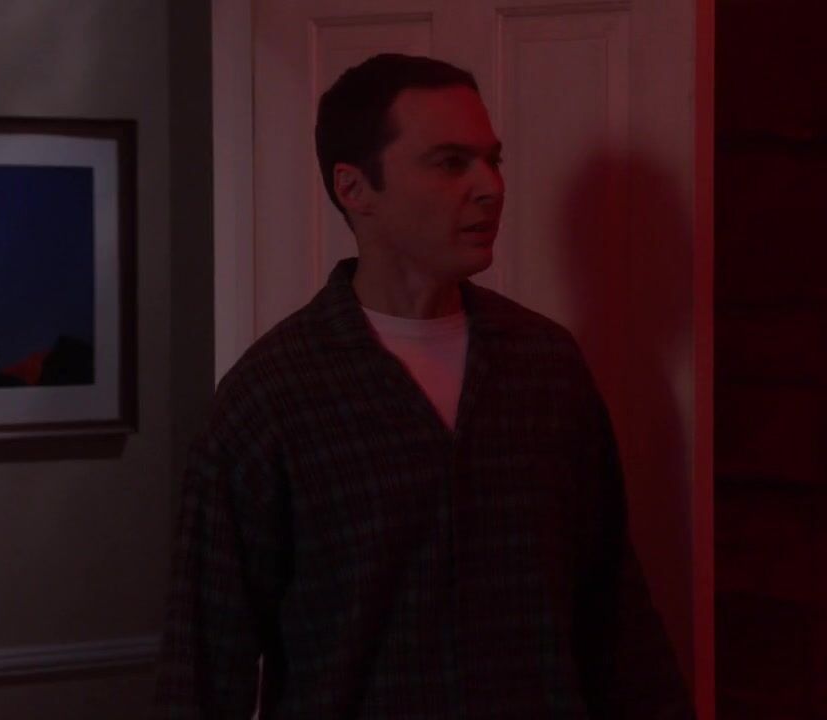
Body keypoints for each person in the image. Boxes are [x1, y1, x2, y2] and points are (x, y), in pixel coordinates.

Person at [153, 53, 692, 719]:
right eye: (450, 163)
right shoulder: (273, 397)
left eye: (492, 160)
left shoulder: (545, 368)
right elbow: (204, 665)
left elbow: (617, 621)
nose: (489, 187)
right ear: (355, 188)